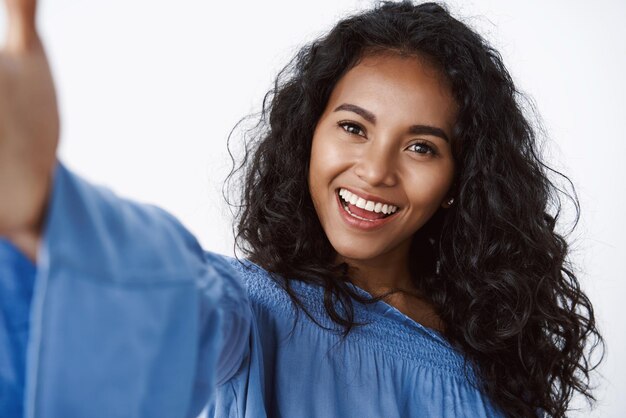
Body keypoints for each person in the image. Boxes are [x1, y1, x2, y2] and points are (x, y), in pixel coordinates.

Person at [0, 0, 604, 417]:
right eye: (353, 127)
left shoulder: (490, 347)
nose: (375, 171)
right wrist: (44, 211)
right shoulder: (254, 312)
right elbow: (167, 298)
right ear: (308, 136)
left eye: (421, 146)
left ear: (458, 179)